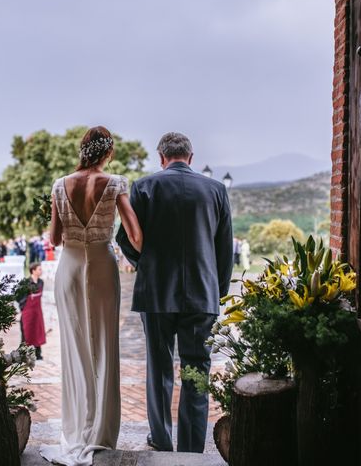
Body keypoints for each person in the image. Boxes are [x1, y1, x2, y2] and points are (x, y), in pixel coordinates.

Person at [117, 132, 233, 453]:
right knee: (197, 368)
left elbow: (125, 238)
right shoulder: (217, 190)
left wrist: (147, 264)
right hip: (202, 293)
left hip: (156, 293)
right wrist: (218, 291)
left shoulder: (144, 187)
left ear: (162, 158)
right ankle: (193, 447)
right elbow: (225, 250)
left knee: (158, 366)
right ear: (191, 158)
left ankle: (161, 438)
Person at [39, 126, 142, 465]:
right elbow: (136, 236)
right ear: (107, 152)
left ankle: (77, 427)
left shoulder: (59, 185)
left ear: (84, 149)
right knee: (103, 346)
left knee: (74, 348)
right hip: (100, 264)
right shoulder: (114, 184)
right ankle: (99, 431)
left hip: (69, 267)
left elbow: (54, 239)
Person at [21, 262, 46, 360]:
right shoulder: (26, 282)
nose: (41, 271)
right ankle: (23, 354)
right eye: (39, 269)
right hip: (28, 311)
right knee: (27, 332)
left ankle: (38, 354)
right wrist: (23, 307)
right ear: (33, 270)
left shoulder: (41, 282)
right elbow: (20, 296)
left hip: (37, 311)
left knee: (38, 331)